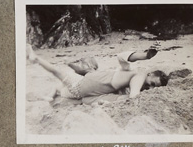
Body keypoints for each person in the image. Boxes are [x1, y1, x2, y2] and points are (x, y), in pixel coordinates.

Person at [27, 45, 167, 104]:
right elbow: (122, 57)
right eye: (152, 84)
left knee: (60, 80)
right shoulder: (134, 74)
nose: (150, 88)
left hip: (88, 91)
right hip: (89, 86)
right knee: (61, 84)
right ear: (150, 74)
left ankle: (37, 60)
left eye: (154, 88)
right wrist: (145, 56)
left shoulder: (131, 83)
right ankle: (37, 60)